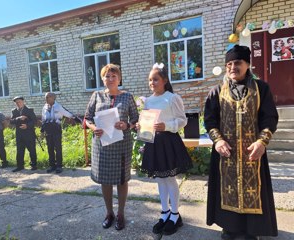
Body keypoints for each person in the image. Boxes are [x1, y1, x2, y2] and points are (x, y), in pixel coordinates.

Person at [204, 45, 279, 240]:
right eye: (229, 64)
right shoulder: (217, 91)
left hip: (251, 154)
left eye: (237, 63)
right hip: (225, 155)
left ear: (247, 64)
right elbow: (210, 120)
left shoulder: (261, 89)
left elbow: (269, 118)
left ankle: (251, 231)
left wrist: (262, 142)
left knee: (252, 190)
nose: (232, 67)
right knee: (227, 189)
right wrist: (217, 140)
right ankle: (229, 228)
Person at [139, 63, 193, 236]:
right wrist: (142, 127)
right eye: (150, 80)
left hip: (169, 142)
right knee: (160, 179)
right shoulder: (148, 100)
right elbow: (147, 121)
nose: (152, 83)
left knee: (169, 178)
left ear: (165, 80)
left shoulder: (172, 98)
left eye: (155, 79)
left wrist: (167, 125)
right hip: (153, 143)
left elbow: (182, 120)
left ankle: (175, 214)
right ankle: (164, 212)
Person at [84, 64, 139, 231]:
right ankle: (109, 213)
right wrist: (94, 128)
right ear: (103, 79)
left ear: (119, 78)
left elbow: (136, 120)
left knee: (122, 180)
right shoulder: (96, 95)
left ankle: (121, 213)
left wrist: (127, 125)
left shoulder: (128, 97)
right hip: (102, 145)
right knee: (105, 181)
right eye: (107, 76)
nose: (110, 79)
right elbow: (87, 118)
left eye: (113, 76)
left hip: (122, 146)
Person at [41, 92, 80, 174]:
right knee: (50, 149)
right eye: (45, 97)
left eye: (48, 97)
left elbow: (68, 114)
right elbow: (43, 120)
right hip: (48, 131)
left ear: (54, 98)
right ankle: (52, 166)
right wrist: (42, 131)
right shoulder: (44, 107)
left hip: (56, 130)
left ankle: (59, 166)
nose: (46, 99)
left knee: (58, 149)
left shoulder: (58, 107)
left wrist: (80, 121)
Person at [10, 96, 37, 172]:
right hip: (19, 134)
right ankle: (20, 166)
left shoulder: (29, 110)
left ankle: (34, 165)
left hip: (29, 134)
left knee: (31, 150)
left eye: (19, 102)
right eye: (16, 103)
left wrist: (27, 126)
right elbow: (11, 121)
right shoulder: (14, 111)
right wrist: (18, 118)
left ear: (23, 102)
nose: (18, 104)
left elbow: (34, 121)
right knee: (20, 151)